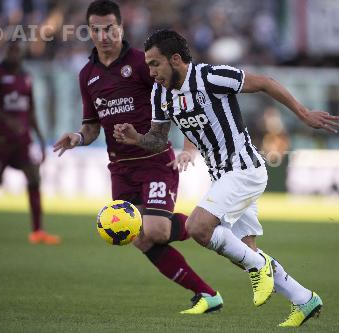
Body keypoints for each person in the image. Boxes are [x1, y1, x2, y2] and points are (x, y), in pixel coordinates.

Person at [113, 29, 339, 327]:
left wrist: (302, 113)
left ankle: (261, 268)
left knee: (199, 228)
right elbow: (158, 139)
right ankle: (304, 299)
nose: (151, 71)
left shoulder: (211, 77)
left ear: (176, 59)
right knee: (245, 251)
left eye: (155, 64)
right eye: (148, 64)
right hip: (221, 175)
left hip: (244, 169)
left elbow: (265, 83)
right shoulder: (161, 93)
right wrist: (137, 139)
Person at [52, 0, 222, 314]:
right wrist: (77, 137)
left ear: (121, 27)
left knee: (156, 229)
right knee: (141, 239)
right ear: (89, 31)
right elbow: (91, 127)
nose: (104, 35)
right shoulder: (87, 74)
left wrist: (187, 147)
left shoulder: (143, 63)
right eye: (97, 29)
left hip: (155, 160)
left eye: (110, 28)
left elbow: (181, 98)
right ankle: (207, 294)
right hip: (120, 170)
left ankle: (213, 226)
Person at [0, 42, 60, 245]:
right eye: (10, 51)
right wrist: (7, 120)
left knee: (34, 178)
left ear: (22, 53)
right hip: (0, 140)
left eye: (17, 51)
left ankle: (37, 231)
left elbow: (31, 110)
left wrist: (41, 140)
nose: (14, 55)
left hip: (22, 141)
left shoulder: (26, 76)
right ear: (5, 52)